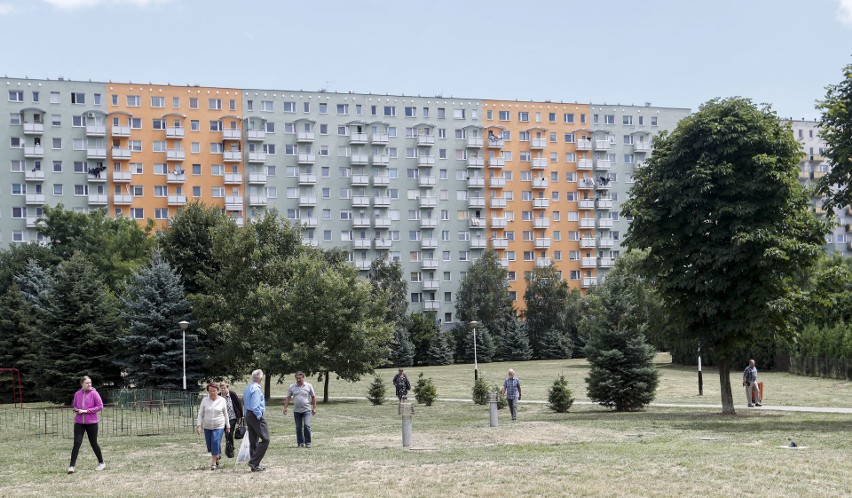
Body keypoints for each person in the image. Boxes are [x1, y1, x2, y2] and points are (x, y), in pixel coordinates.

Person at [68, 376, 106, 474]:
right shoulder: (77, 394)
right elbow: (75, 405)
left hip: (92, 423)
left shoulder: (94, 393)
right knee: (77, 443)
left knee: (93, 443)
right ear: (82, 384)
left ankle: (101, 463)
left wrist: (86, 411)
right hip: (79, 422)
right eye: (87, 383)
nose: (89, 384)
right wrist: (76, 409)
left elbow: (100, 406)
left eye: (90, 383)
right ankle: (71, 466)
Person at [196, 383, 230, 470]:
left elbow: (226, 414)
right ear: (208, 391)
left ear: (217, 391)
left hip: (219, 425)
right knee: (210, 445)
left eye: (214, 391)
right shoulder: (205, 400)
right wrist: (199, 425)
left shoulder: (222, 400)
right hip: (207, 426)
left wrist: (228, 426)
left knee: (215, 441)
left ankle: (214, 463)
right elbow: (200, 414)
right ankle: (217, 456)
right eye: (210, 391)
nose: (212, 392)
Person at [243, 369, 269, 472]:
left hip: (248, 415)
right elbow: (254, 406)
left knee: (253, 440)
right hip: (254, 415)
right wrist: (259, 416)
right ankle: (254, 462)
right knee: (265, 439)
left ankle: (254, 465)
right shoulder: (256, 389)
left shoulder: (248, 388)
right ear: (261, 378)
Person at [282, 371, 316, 448]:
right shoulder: (292, 386)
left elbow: (313, 397)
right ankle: (300, 443)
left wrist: (314, 408)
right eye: (297, 378)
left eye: (300, 378)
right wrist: (285, 407)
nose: (298, 379)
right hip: (296, 410)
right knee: (298, 427)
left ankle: (308, 442)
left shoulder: (308, 386)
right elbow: (288, 397)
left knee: (307, 425)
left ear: (303, 377)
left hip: (306, 409)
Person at [219, 381, 243, 459]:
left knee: (229, 432)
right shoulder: (219, 396)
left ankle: (230, 448)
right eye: (221, 388)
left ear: (227, 387)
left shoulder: (232, 394)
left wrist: (241, 416)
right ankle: (228, 445)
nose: (223, 390)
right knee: (224, 433)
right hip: (221, 418)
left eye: (224, 388)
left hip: (232, 417)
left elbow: (239, 404)